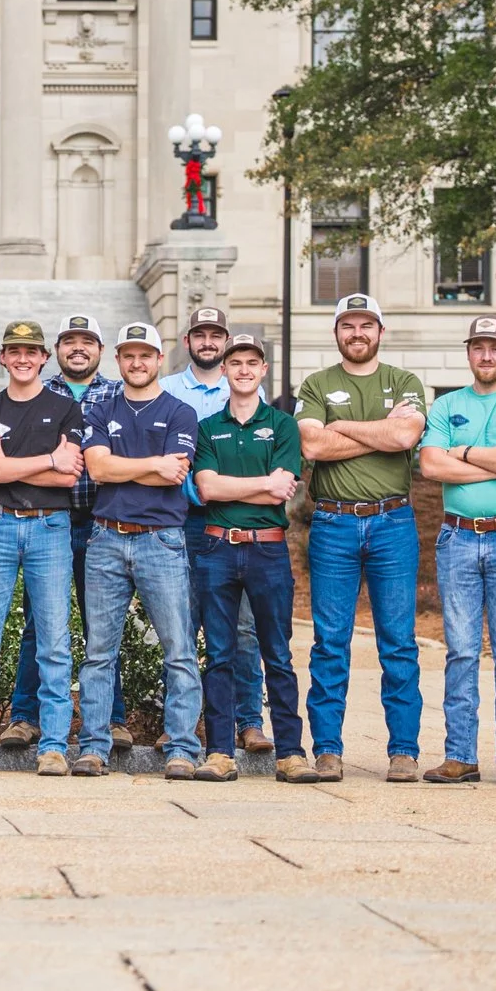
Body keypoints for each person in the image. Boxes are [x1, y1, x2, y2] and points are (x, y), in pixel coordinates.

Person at [296, 294, 427, 782]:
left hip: (393, 524)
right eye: (348, 325)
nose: (357, 333)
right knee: (331, 642)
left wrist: (341, 427)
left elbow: (404, 439)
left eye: (366, 325)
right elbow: (311, 444)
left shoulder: (404, 382)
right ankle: (327, 749)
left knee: (398, 642)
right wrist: (378, 432)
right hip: (333, 524)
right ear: (336, 333)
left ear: (379, 332)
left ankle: (404, 751)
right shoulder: (317, 383)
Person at [416, 315, 496, 784]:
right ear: (468, 353)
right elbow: (431, 466)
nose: (486, 356)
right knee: (461, 651)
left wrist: (464, 454)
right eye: (478, 347)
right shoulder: (446, 403)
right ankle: (461, 756)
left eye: (495, 348)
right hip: (457, 537)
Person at [0, 321, 82, 775]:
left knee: (54, 641)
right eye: (14, 351)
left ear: (44, 357)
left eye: (31, 351)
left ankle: (54, 748)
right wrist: (47, 459)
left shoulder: (67, 410)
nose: (23, 358)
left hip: (50, 527)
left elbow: (70, 477)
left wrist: (10, 465)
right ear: (2, 357)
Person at [79, 322, 205, 779]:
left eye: (145, 355)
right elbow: (96, 468)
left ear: (159, 359)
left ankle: (183, 750)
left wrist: (123, 467)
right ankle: (93, 747)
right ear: (119, 360)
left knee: (179, 650)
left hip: (161, 541)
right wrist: (152, 462)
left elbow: (175, 476)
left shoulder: (180, 412)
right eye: (129, 355)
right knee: (98, 652)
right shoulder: (99, 411)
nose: (137, 363)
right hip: (106, 539)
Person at [191, 331, 310, 782]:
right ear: (223, 370)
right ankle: (220, 751)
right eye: (234, 362)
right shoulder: (208, 427)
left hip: (268, 550)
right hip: (218, 547)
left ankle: (291, 753)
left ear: (263, 370)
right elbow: (207, 489)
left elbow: (285, 484)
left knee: (276, 653)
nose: (243, 369)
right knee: (219, 654)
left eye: (251, 363)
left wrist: (234, 486)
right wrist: (262, 485)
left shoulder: (282, 425)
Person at [6, 313, 123, 752]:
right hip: (48, 520)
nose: (78, 348)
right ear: (55, 350)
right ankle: (24, 717)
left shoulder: (117, 393)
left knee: (103, 626)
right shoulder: (39, 390)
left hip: (102, 522)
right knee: (39, 624)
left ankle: (112, 719)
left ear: (100, 350)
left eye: (87, 341)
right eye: (70, 341)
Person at [163, 305, 268, 754]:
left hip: (235, 525)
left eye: (216, 335)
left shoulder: (247, 394)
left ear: (226, 346)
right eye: (200, 334)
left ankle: (249, 721)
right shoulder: (166, 391)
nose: (207, 341)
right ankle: (179, 724)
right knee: (181, 628)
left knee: (244, 628)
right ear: (187, 341)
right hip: (182, 523)